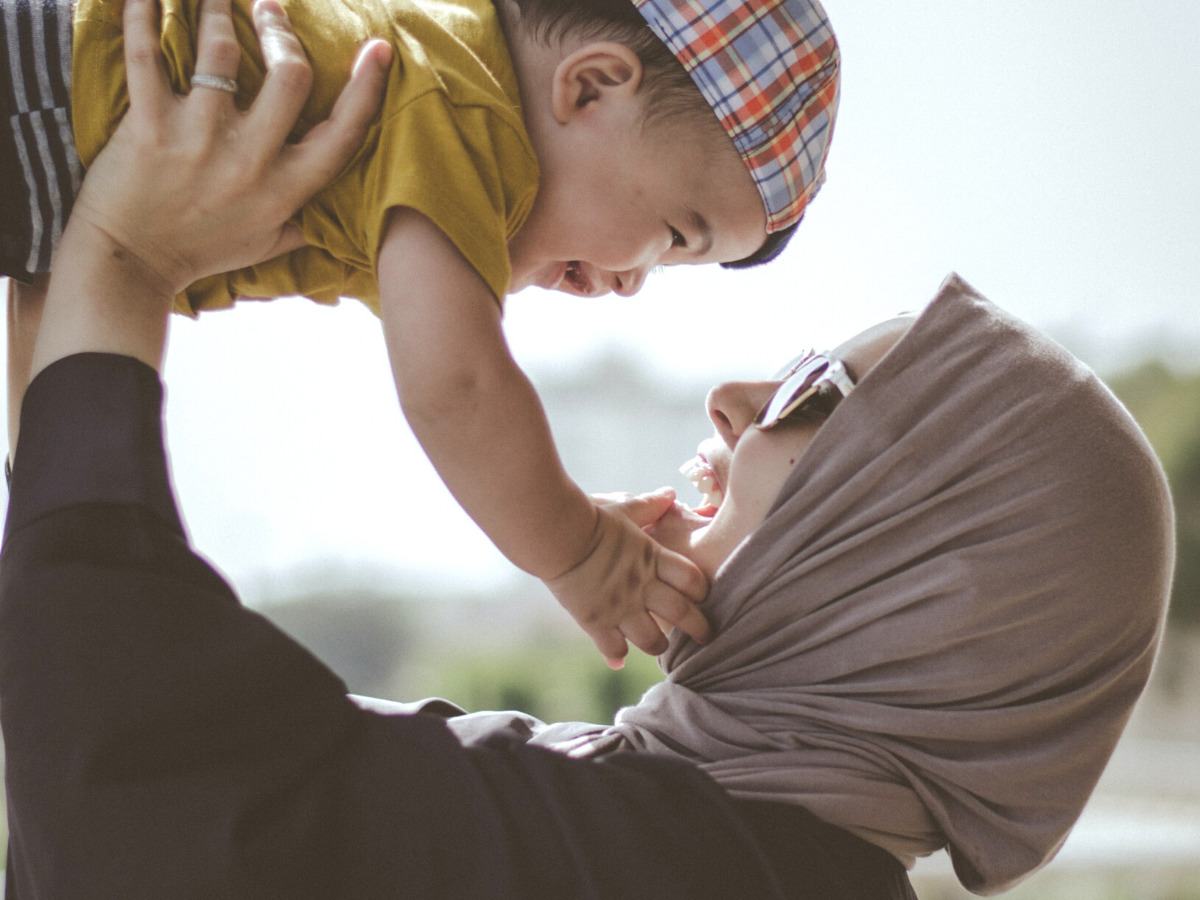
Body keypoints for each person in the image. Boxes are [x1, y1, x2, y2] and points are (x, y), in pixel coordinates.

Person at [0, 4, 1173, 899]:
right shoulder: (715, 845)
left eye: (817, 395)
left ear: (927, 584)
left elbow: (131, 781)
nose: (732, 396)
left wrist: (120, 264)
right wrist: (74, 313)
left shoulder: (679, 862)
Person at [0, 0, 842, 668]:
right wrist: (577, 549)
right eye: (671, 233)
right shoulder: (469, 118)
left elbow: (62, 271)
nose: (632, 283)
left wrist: (44, 482)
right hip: (38, 85)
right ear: (589, 87)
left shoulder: (429, 107)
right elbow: (456, 387)